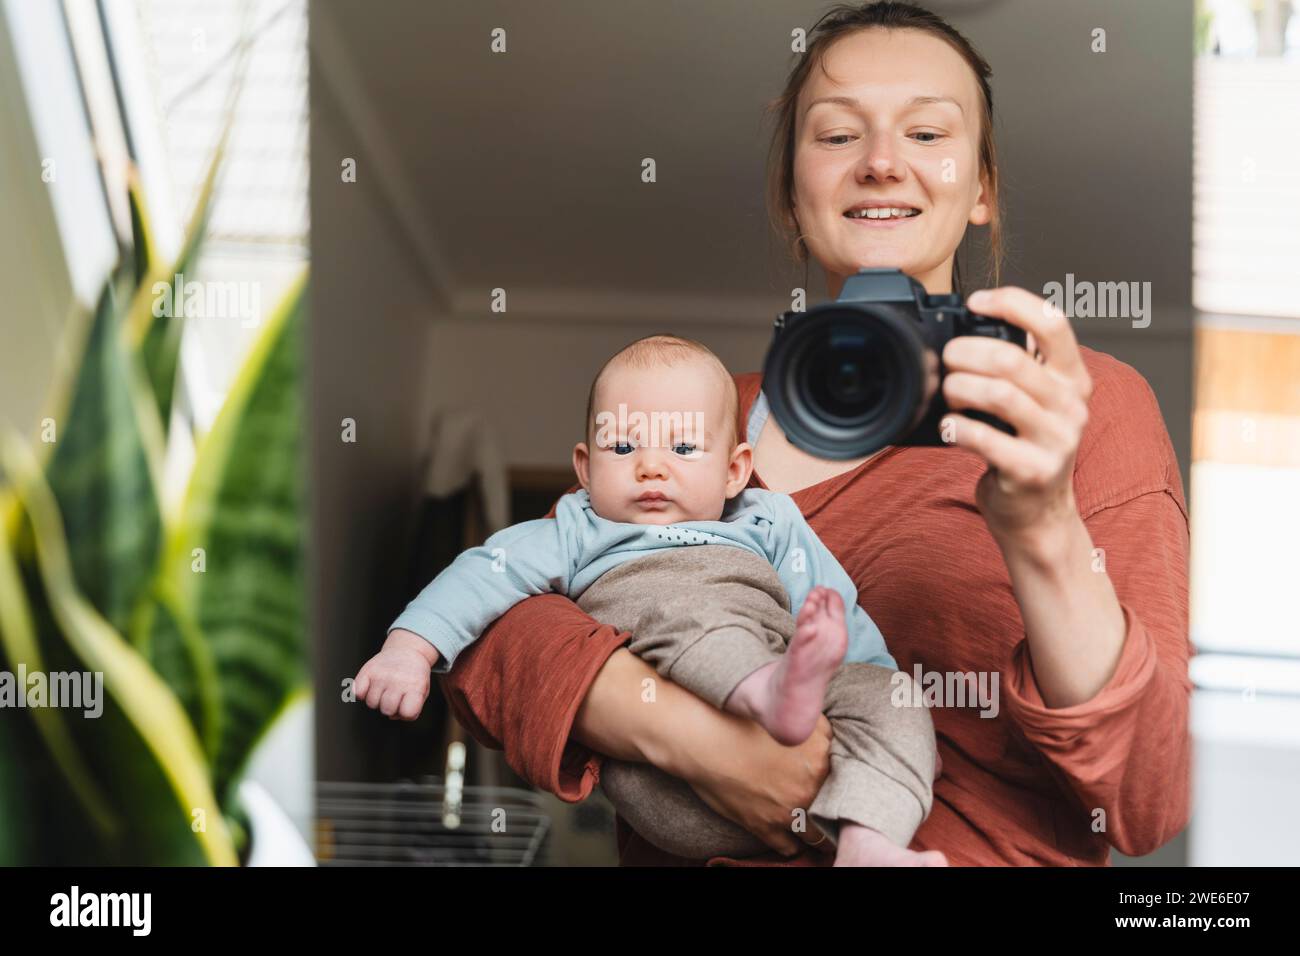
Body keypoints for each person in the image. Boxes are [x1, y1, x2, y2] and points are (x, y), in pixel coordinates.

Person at [373, 1, 1193, 866]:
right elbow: (493, 646)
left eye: (927, 133)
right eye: (837, 136)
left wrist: (1042, 527)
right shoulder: (693, 414)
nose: (881, 163)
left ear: (980, 186)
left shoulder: (1076, 404)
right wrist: (702, 744)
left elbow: (1147, 795)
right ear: (792, 191)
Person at [356, 334, 947, 866]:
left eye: (685, 450)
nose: (651, 468)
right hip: (672, 794)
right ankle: (764, 690)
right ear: (584, 469)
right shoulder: (577, 527)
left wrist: (872, 715)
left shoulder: (769, 521)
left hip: (798, 755)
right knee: (687, 612)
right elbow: (484, 574)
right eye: (623, 448)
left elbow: (831, 608)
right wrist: (409, 649)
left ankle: (868, 843)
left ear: (736, 471)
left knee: (891, 698)